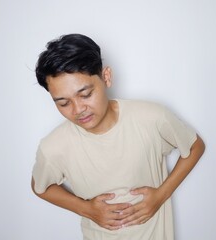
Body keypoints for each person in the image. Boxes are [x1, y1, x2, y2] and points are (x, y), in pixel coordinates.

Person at [31, 33, 205, 240]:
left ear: (106, 77)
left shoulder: (151, 117)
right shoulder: (54, 146)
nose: (78, 109)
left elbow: (195, 146)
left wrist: (161, 195)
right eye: (63, 103)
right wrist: (86, 209)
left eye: (85, 94)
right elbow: (40, 186)